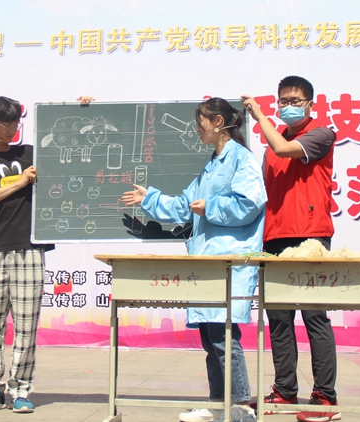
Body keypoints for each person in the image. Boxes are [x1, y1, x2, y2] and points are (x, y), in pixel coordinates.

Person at [122, 98, 266, 422]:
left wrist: (211, 207)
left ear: (218, 122)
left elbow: (250, 204)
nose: (197, 130)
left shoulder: (241, 160)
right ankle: (218, 405)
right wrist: (149, 199)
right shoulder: (212, 165)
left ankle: (241, 407)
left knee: (223, 337)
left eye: (200, 123)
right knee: (211, 338)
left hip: (227, 262)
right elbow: (184, 206)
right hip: (207, 263)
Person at [0, 95, 94, 413]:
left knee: (26, 326)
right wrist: (19, 183)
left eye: (16, 123)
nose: (12, 130)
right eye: (6, 124)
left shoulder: (31, 153)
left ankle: (20, 389)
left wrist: (85, 110)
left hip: (30, 249)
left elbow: (75, 148)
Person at [242, 76, 340, 422]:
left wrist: (259, 116)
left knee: (314, 317)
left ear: (311, 104)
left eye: (295, 101)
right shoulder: (273, 143)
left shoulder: (321, 134)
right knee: (279, 319)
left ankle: (325, 397)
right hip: (274, 238)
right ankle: (285, 390)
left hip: (310, 237)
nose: (288, 106)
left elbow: (286, 151)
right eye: (283, 100)